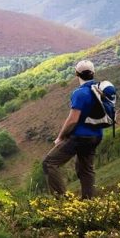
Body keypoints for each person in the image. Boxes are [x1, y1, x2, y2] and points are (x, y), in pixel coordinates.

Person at [42, 60, 102, 199]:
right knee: (86, 169)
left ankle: (62, 201)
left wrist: (61, 137)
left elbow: (73, 120)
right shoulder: (100, 90)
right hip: (96, 135)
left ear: (77, 74)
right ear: (93, 73)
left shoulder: (80, 93)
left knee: (49, 163)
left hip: (80, 137)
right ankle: (88, 202)